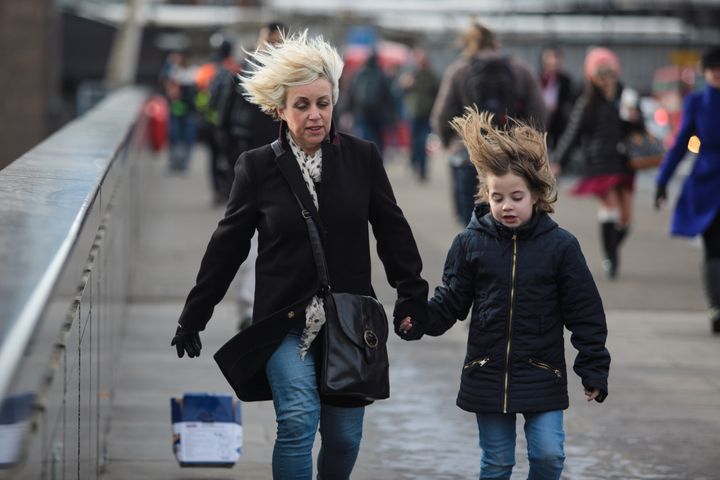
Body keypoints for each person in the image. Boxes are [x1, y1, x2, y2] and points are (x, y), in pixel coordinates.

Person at [170, 31, 429, 479]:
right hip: (283, 321)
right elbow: (227, 246)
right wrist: (195, 315)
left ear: (335, 103)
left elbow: (392, 230)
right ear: (279, 109)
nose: (315, 115)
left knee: (345, 436)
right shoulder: (257, 167)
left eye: (323, 103)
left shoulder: (362, 158)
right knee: (297, 422)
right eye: (303, 105)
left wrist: (411, 294)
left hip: (348, 321)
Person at [399, 108, 610, 480]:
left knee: (548, 456)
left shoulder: (561, 247)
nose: (506, 206)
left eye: (516, 196)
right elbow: (450, 300)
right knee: (496, 463)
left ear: (536, 196)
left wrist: (592, 367)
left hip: (542, 371)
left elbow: (585, 311)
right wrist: (420, 320)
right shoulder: (470, 243)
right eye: (498, 198)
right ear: (486, 195)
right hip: (487, 371)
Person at [431, 20, 547, 226]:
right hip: (513, 155)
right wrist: (528, 145)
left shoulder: (459, 70)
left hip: (468, 154)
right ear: (496, 43)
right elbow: (538, 111)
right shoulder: (520, 70)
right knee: (513, 220)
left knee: (471, 223)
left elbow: (441, 115)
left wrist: (453, 145)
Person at [214, 22, 286, 330]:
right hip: (251, 170)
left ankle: (262, 306)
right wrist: (232, 165)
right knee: (251, 240)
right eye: (268, 42)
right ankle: (249, 308)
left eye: (277, 43)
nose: (271, 49)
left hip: (283, 168)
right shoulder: (244, 77)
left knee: (278, 239)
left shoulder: (293, 79)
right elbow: (225, 122)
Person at [552, 47, 642, 280]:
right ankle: (611, 259)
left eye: (610, 72)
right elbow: (571, 135)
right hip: (599, 164)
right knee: (610, 209)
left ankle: (611, 249)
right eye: (601, 73)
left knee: (626, 217)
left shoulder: (628, 97)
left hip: (624, 163)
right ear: (592, 76)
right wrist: (558, 161)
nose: (607, 78)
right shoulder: (587, 102)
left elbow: (640, 131)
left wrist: (635, 119)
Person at [655, 47, 720, 333]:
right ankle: (716, 305)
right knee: (714, 247)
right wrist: (662, 180)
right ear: (706, 73)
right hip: (707, 182)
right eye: (713, 69)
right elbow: (681, 143)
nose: (717, 73)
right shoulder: (697, 102)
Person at [195, 37, 241, 206]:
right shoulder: (237, 68)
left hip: (211, 122)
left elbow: (200, 95)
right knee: (232, 159)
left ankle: (217, 191)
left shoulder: (207, 70)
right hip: (232, 124)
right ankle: (230, 191)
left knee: (214, 158)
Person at [399, 48, 440, 181]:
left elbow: (438, 95)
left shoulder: (430, 77)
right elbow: (401, 91)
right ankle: (416, 163)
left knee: (421, 141)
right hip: (415, 113)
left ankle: (420, 167)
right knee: (416, 141)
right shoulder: (413, 75)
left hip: (424, 113)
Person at [346, 50, 395, 154]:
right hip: (378, 113)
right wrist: (391, 115)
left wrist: (348, 110)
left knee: (364, 136)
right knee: (378, 137)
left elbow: (352, 93)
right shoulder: (381, 75)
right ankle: (377, 158)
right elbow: (388, 96)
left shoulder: (359, 74)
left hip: (362, 112)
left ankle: (366, 157)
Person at [539, 45, 576, 150]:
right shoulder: (539, 79)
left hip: (559, 122)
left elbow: (569, 102)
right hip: (542, 120)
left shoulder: (566, 81)